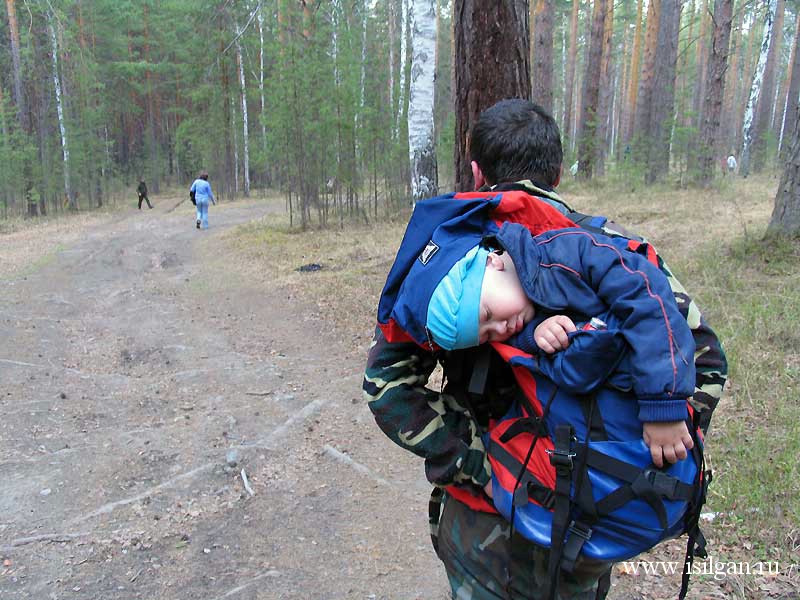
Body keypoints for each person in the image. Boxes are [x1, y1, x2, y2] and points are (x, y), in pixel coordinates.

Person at [363, 99, 727, 600]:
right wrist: (633, 443)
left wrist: (479, 467)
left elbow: (387, 387)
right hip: (587, 523)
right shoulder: (610, 247)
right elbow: (705, 359)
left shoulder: (446, 260)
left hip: (482, 530)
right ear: (557, 171)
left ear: (475, 173)